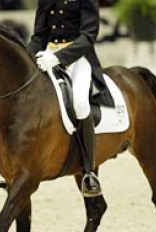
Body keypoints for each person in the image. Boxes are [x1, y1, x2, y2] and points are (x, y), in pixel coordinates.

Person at [27, 0, 114, 198]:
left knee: (80, 104)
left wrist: (60, 57)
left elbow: (88, 36)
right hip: (47, 55)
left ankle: (89, 172)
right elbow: (39, 35)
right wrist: (27, 58)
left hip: (77, 58)